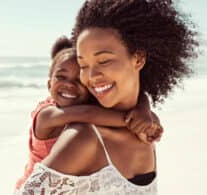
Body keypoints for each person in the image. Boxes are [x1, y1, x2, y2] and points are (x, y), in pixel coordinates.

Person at [18, 0, 198, 194]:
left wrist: (143, 111)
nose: (91, 76)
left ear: (138, 58)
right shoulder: (83, 138)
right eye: (84, 65)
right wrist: (134, 119)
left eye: (103, 61)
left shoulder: (144, 129)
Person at [15, 36, 163, 191]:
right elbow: (86, 113)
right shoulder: (46, 115)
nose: (69, 84)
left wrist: (143, 110)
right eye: (61, 77)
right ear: (49, 84)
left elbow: (137, 95)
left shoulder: (87, 106)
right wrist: (137, 121)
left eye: (79, 80)